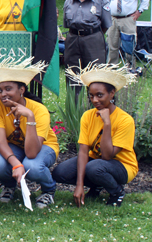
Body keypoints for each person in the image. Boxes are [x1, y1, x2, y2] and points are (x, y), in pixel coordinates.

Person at [53, 62, 138, 208]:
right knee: (60, 172)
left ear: (112, 93)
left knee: (94, 168)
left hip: (122, 165)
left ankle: (117, 191)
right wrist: (79, 185)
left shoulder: (125, 120)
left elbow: (107, 156)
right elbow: (84, 151)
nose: (95, 101)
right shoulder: (88, 116)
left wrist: (107, 124)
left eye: (100, 95)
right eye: (91, 96)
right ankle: (98, 185)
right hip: (96, 162)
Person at [0, 57, 59, 208]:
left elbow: (32, 152)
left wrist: (30, 117)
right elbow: (0, 142)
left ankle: (48, 190)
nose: (3, 94)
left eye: (8, 89)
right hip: (16, 146)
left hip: (43, 146)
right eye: (0, 90)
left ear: (22, 90)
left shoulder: (38, 110)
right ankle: (9, 186)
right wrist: (15, 164)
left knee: (32, 165)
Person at [63, 0, 112, 97]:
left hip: (93, 39)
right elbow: (67, 24)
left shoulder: (100, 0)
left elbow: (106, 24)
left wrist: (91, 35)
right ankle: (75, 111)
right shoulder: (69, 2)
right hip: (73, 39)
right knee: (73, 76)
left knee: (95, 76)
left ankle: (95, 109)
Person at [105, 0, 150, 68]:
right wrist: (106, 11)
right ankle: (111, 68)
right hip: (113, 19)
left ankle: (130, 68)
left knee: (128, 45)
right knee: (112, 44)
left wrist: (140, 11)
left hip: (128, 19)